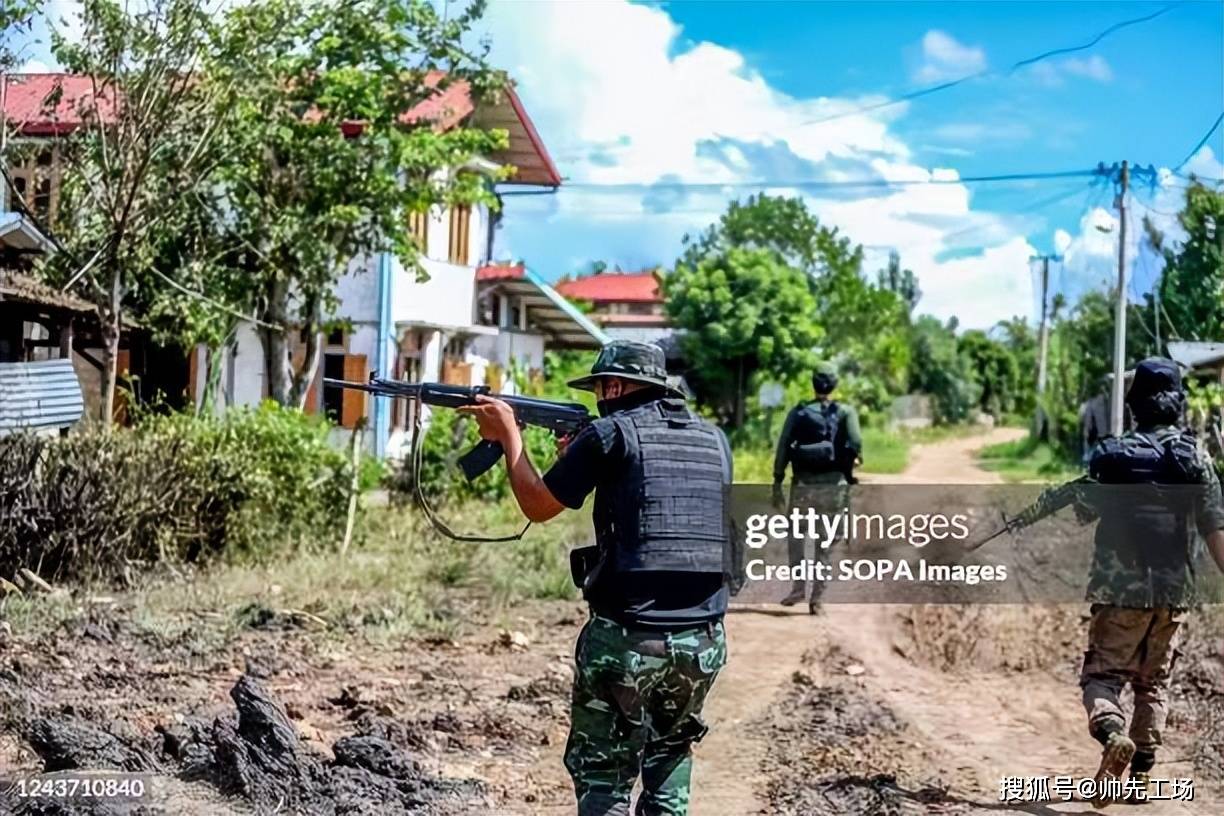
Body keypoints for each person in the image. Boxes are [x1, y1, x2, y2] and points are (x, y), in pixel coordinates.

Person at [459, 340, 732, 816]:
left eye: (604, 388)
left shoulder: (608, 435)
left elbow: (538, 506)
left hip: (626, 639)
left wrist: (509, 438)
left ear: (615, 385)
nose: (602, 398)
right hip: (704, 638)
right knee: (669, 757)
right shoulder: (713, 440)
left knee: (605, 774)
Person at [1079, 357, 1224, 808]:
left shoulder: (1113, 455)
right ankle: (1140, 780)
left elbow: (1084, 512)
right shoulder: (1196, 458)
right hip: (1173, 593)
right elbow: (1215, 529)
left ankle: (1113, 733)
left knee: (1102, 677)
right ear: (1178, 403)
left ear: (1134, 403)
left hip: (1120, 590)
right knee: (1152, 685)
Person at [771, 361, 862, 611]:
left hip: (802, 487)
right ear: (835, 384)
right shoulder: (846, 413)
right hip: (834, 488)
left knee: (797, 538)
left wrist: (777, 482)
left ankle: (798, 588)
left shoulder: (799, 412)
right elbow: (855, 443)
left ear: (813, 383)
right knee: (826, 542)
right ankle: (817, 598)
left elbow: (783, 448)